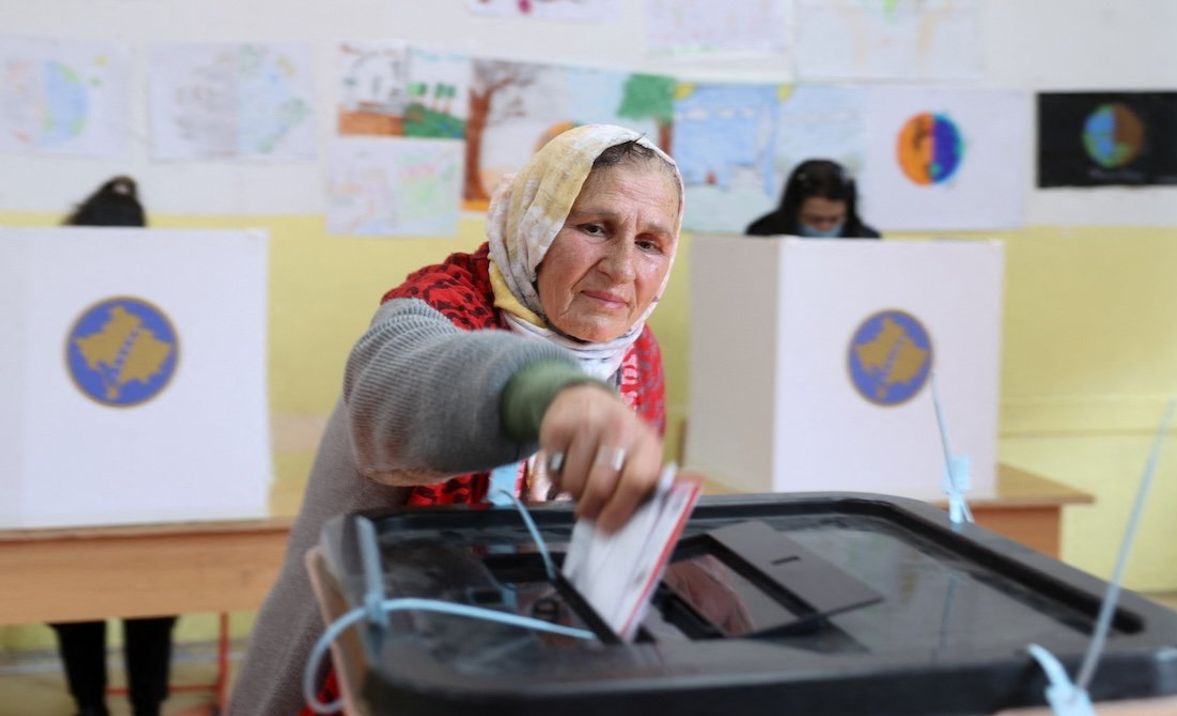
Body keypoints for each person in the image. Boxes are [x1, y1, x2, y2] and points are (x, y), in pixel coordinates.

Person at [228, 123, 685, 715]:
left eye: (650, 243)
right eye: (595, 228)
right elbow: (401, 382)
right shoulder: (437, 308)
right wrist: (545, 393)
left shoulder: (637, 357)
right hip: (361, 670)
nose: (622, 268)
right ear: (536, 225)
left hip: (522, 672)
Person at [52, 176, 177, 716]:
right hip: (138, 491)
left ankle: (92, 707)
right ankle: (141, 707)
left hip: (74, 494)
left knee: (84, 606)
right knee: (142, 607)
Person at [745, 159, 880, 239]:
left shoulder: (866, 239)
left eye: (835, 219)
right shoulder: (762, 235)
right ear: (793, 210)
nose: (825, 227)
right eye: (814, 219)